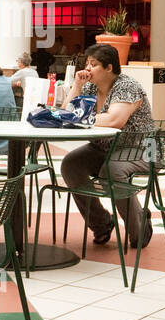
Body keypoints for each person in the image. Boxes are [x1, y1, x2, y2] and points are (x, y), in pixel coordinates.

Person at [61, 43, 155, 248]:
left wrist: (80, 117)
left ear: (109, 67)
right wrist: (76, 86)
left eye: (93, 64)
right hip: (105, 148)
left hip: (142, 148)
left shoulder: (127, 86)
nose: (87, 69)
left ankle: (139, 226)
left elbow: (115, 120)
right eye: (87, 63)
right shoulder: (90, 87)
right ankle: (102, 223)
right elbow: (66, 113)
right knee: (70, 165)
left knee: (110, 170)